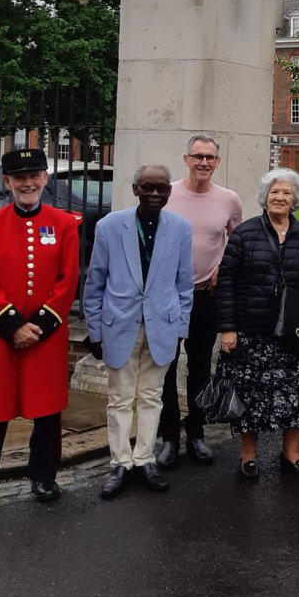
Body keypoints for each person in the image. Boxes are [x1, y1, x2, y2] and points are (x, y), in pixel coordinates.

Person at [83, 165, 194, 499]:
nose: (155, 194)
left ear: (170, 191)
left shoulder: (180, 228)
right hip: (119, 325)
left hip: (162, 326)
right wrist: (95, 331)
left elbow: (184, 285)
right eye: (148, 187)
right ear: (135, 189)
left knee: (151, 396)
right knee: (119, 398)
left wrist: (181, 327)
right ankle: (120, 462)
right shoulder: (109, 226)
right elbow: (94, 282)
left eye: (162, 188)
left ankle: (144, 458)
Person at [215, 168, 299, 480]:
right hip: (251, 331)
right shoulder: (245, 233)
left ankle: (291, 453)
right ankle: (248, 457)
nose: (279, 197)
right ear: (265, 197)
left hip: (291, 333)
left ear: (295, 199)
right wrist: (228, 328)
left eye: (286, 192)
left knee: (295, 396)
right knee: (250, 397)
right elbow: (226, 283)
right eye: (274, 192)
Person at [0, 148, 81, 503]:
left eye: (34, 176)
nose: (28, 183)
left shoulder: (64, 223)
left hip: (46, 334)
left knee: (47, 410)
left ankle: (44, 475)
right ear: (8, 182)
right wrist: (11, 324)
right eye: (20, 177)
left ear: (45, 178)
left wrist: (39, 325)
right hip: (2, 335)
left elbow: (69, 278)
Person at [157, 132, 243, 469]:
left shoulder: (229, 199)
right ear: (186, 159)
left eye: (209, 157)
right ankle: (169, 437)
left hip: (206, 296)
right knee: (164, 367)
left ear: (217, 162)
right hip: (168, 297)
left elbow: (237, 242)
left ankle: (196, 432)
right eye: (197, 156)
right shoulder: (167, 195)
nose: (203, 162)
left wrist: (223, 267)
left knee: (199, 368)